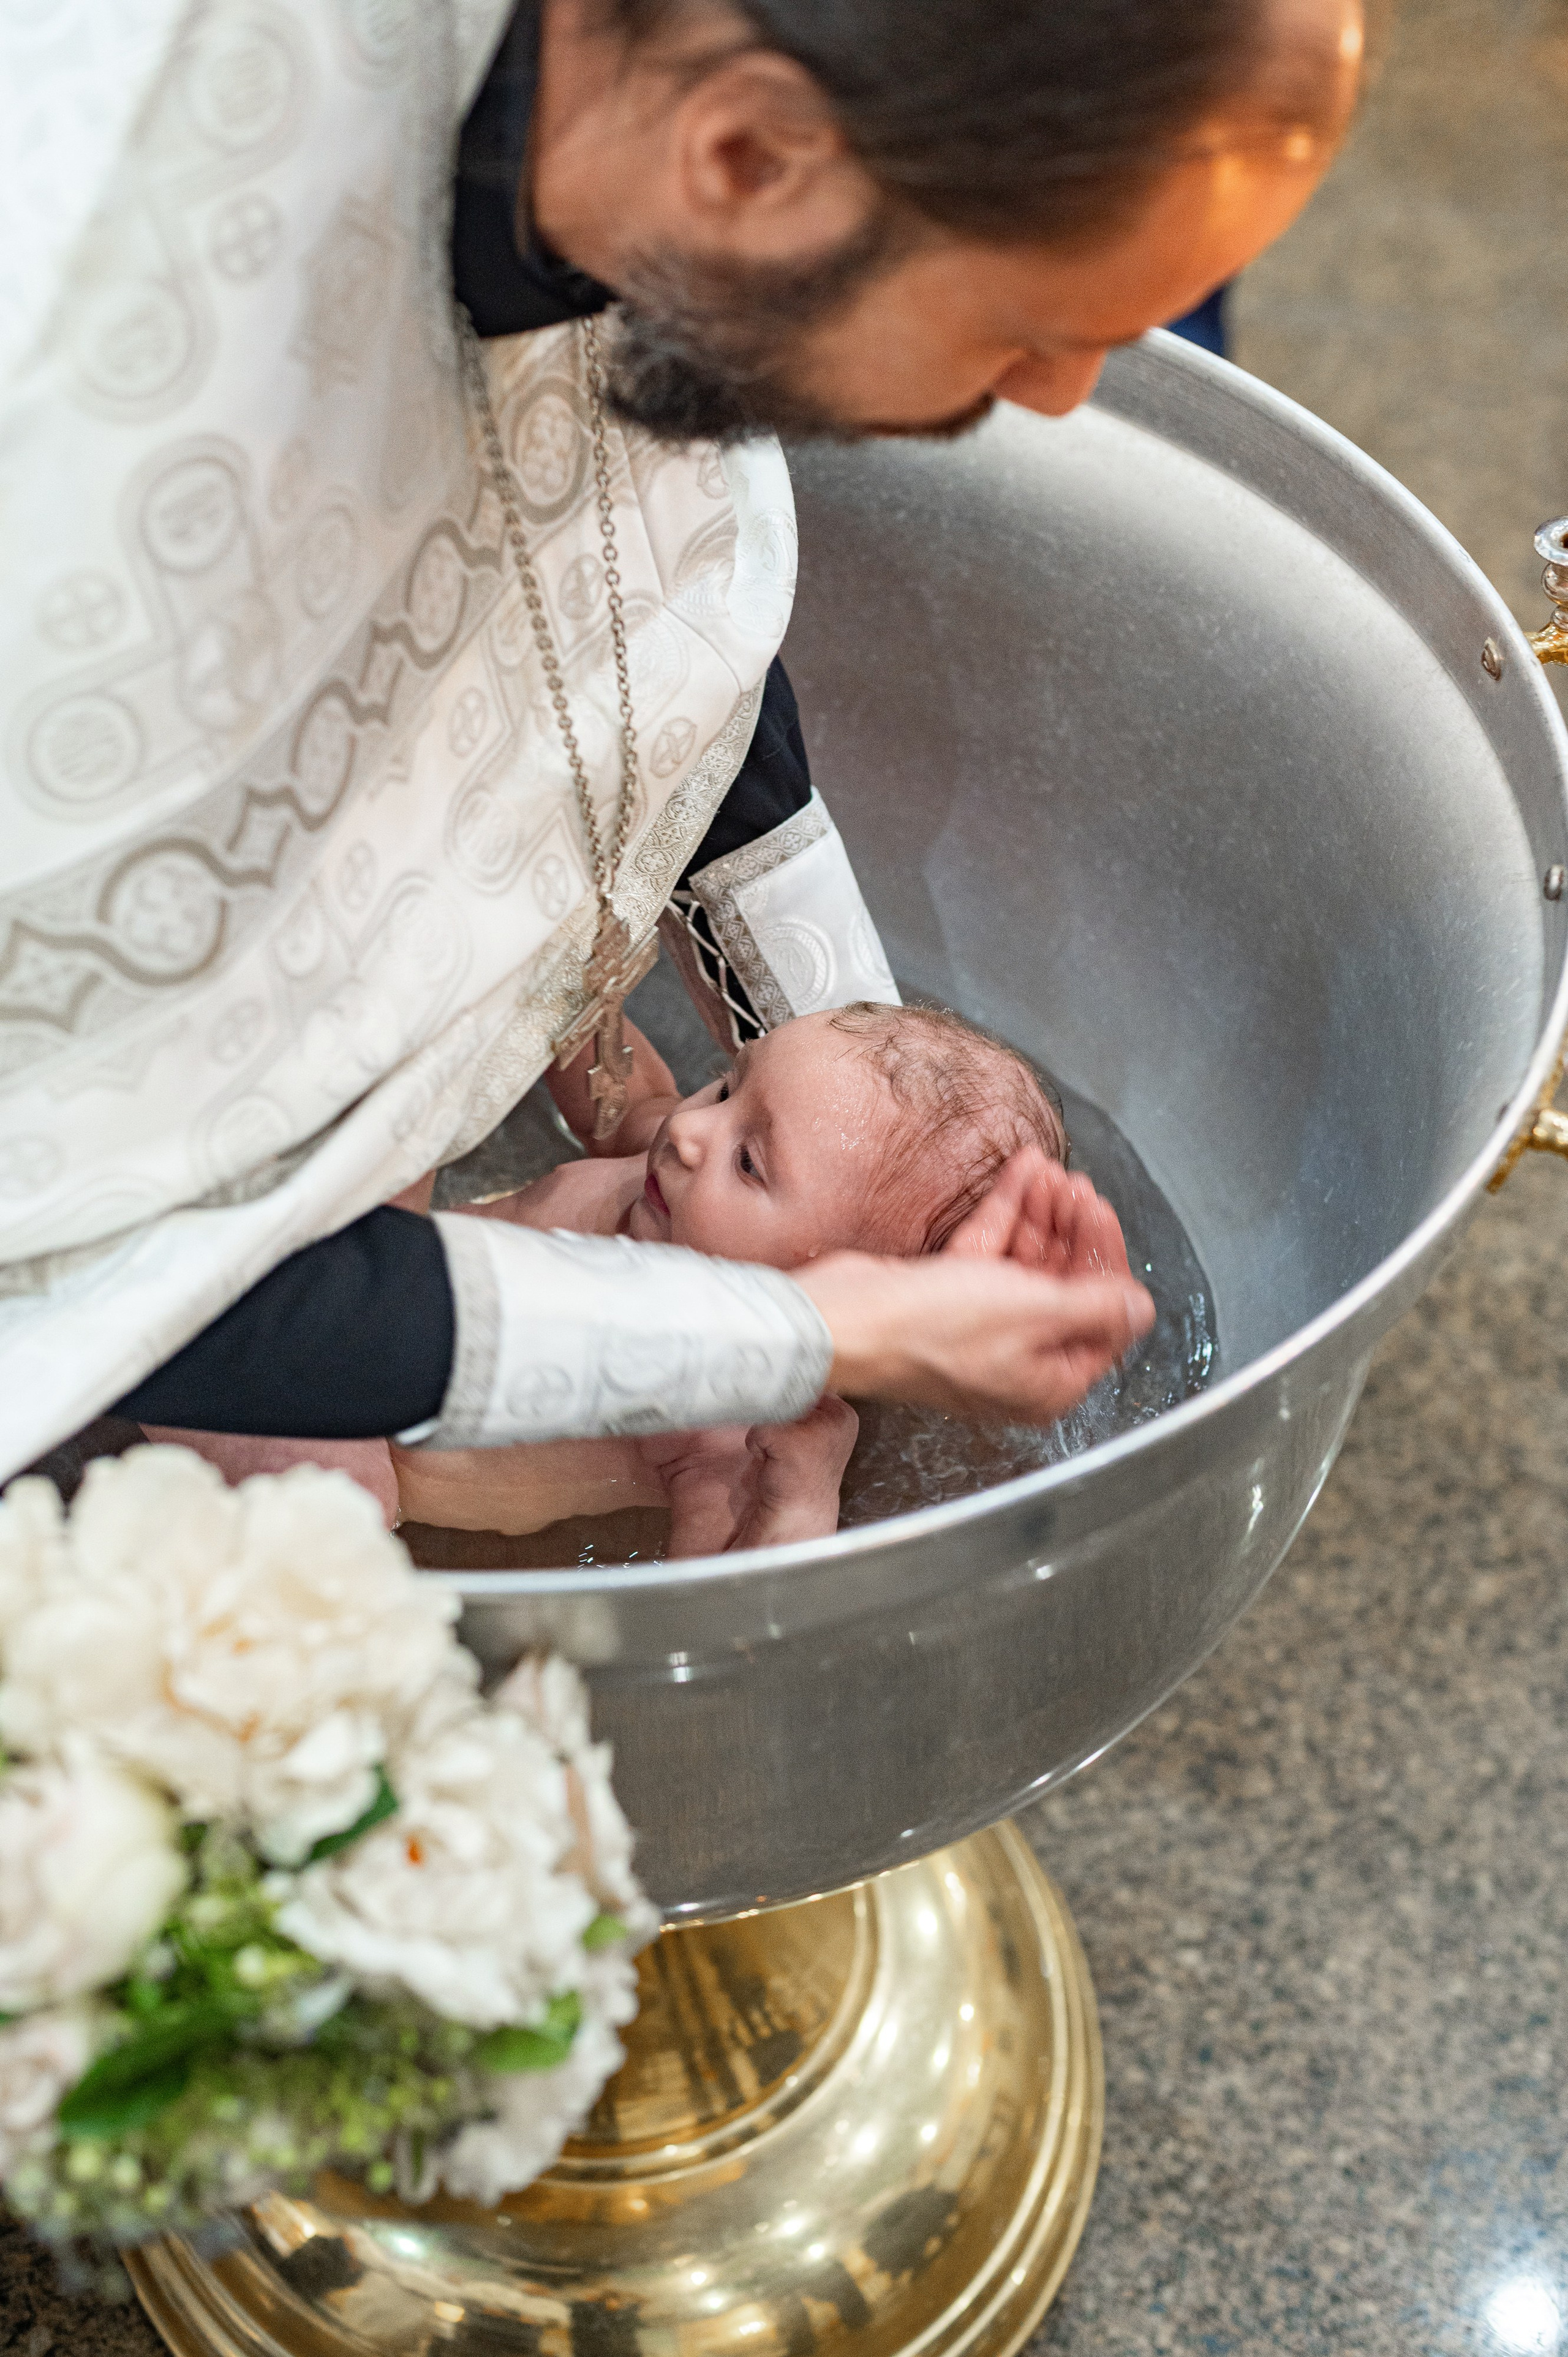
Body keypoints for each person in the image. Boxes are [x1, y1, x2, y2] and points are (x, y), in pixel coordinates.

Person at [0, 0, 1362, 1484]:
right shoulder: (90, 463)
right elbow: (107, 1265)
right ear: (749, 156)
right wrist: (808, 1326)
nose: (1059, 397)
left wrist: (881, 1143)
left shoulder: (619, 122)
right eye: (1024, 331)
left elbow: (630, 586)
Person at [153, 1004, 1136, 1550]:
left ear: (849, 1283)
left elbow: (713, 1607)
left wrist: (796, 1501)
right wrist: (556, 991)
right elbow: (629, 1094)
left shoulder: (723, 1428)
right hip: (349, 1296)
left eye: (750, 1160)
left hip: (345, 1430)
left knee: (341, 1512)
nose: (690, 1130)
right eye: (729, 1083)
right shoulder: (660, 1171)